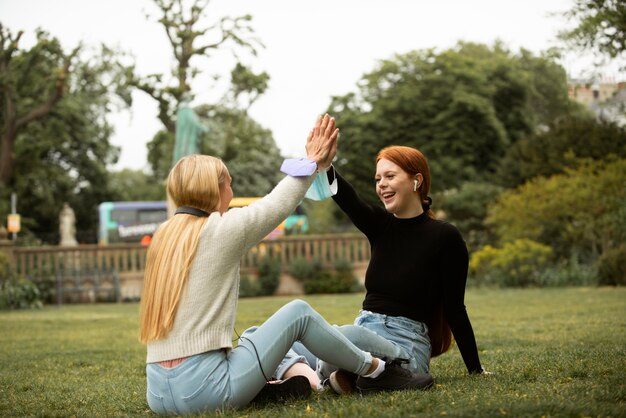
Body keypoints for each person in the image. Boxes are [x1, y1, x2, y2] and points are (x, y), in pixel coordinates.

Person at [138, 116, 432, 415]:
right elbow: (278, 202)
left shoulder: (164, 236)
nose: (231, 190)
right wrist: (313, 160)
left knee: (253, 336)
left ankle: (291, 379)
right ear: (214, 189)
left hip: (159, 395)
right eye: (229, 183)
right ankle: (378, 371)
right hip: (205, 391)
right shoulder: (220, 229)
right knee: (298, 313)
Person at [281, 145, 488, 394]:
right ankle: (337, 377)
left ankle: (318, 376)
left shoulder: (445, 236)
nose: (381, 185)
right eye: (378, 179)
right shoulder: (381, 226)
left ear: (416, 180)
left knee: (345, 337)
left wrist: (475, 369)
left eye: (390, 176)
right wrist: (324, 165)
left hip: (404, 346)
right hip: (363, 332)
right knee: (267, 336)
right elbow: (350, 200)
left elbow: (455, 309)